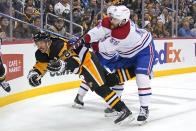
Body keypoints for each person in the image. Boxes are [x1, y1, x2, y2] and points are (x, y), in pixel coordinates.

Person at [27, 32, 133, 124]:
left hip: (87, 62)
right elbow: (40, 67)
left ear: (48, 41)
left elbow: (76, 62)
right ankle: (135, 71)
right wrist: (35, 75)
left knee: (100, 88)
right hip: (84, 66)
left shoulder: (59, 46)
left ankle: (123, 110)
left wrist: (63, 65)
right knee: (109, 80)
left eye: (41, 42)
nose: (39, 45)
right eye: (38, 43)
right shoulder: (41, 54)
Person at [82, 5, 156, 123]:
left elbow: (104, 47)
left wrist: (89, 43)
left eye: (115, 20)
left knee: (141, 78)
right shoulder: (114, 22)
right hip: (126, 54)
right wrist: (86, 38)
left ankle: (144, 108)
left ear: (124, 21)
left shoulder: (122, 33)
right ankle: (116, 105)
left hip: (144, 50)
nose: (112, 21)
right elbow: (98, 31)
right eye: (112, 18)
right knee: (116, 77)